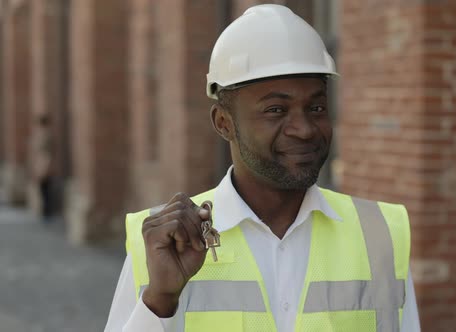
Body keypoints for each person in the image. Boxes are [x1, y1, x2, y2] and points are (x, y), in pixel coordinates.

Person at [105, 4, 420, 332]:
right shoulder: (162, 245)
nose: (305, 128)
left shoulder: (380, 235)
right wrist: (159, 301)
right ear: (224, 123)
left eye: (316, 107)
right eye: (275, 109)